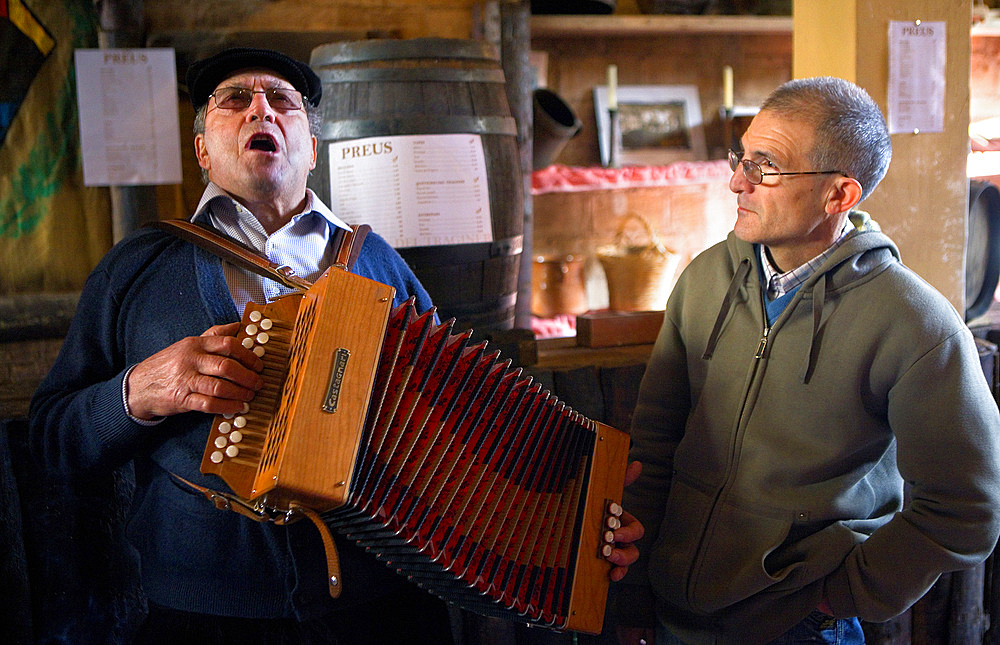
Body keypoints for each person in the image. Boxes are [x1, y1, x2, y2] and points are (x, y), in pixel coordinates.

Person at [28, 46, 640, 644]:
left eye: (283, 102)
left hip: (380, 609)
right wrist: (139, 392)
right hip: (203, 613)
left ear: (312, 149)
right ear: (202, 151)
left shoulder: (375, 261)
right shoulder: (137, 269)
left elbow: (462, 427)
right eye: (234, 100)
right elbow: (53, 442)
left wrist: (576, 525)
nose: (260, 110)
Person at [611, 76, 1000, 645]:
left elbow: (965, 509)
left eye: (765, 166)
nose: (737, 181)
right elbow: (654, 442)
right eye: (741, 157)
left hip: (798, 627)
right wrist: (635, 593)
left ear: (840, 195)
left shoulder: (915, 323)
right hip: (674, 613)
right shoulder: (705, 278)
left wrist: (834, 598)